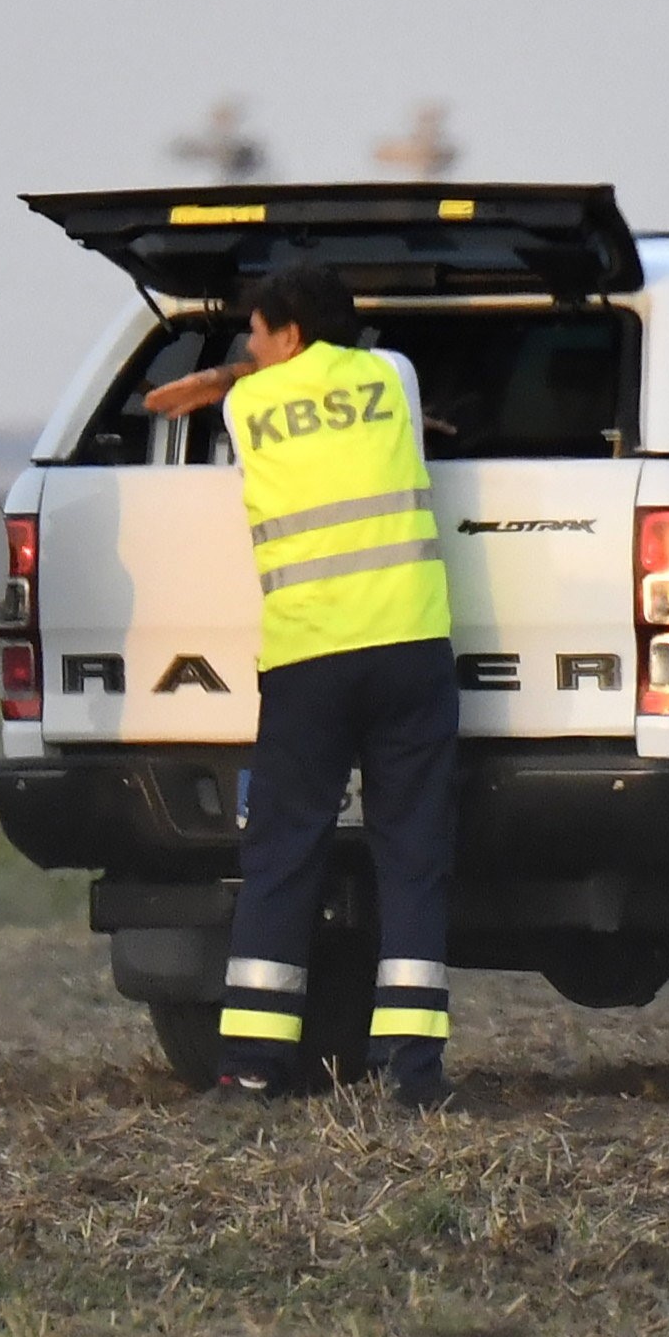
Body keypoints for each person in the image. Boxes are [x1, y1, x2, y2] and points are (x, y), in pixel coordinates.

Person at [139, 259, 460, 1111]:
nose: (247, 341)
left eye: (254, 327)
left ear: (286, 332)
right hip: (410, 647)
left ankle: (252, 1068)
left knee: (284, 857)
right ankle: (415, 1074)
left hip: (310, 659)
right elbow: (335, 377)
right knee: (415, 857)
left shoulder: (247, 406)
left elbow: (253, 384)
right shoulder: (393, 378)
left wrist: (214, 376)